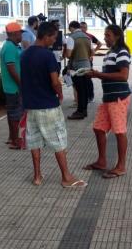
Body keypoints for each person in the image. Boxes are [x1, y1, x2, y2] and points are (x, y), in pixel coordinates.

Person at [20, 21, 87, 188]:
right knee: (59, 140)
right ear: (47, 36)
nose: (55, 41)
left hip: (31, 105)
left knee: (34, 140)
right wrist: (60, 93)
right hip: (48, 105)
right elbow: (54, 81)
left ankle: (37, 176)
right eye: (54, 37)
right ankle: (66, 177)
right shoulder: (47, 55)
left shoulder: (25, 54)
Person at [84, 25, 131, 179]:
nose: (105, 38)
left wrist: (99, 75)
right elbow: (109, 73)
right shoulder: (111, 52)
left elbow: (123, 76)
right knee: (98, 128)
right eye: (105, 35)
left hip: (118, 98)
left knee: (119, 131)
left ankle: (121, 166)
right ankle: (102, 161)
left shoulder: (122, 52)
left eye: (108, 35)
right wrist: (96, 74)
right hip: (108, 98)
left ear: (117, 36)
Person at [0, 22, 24, 149]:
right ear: (14, 34)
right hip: (14, 87)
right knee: (15, 115)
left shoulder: (12, 46)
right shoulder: (9, 47)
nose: (22, 35)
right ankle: (15, 141)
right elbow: (11, 68)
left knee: (12, 114)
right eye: (20, 32)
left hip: (11, 87)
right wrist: (21, 84)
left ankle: (12, 138)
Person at [64, 21, 92, 120]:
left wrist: (65, 48)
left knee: (79, 90)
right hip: (87, 66)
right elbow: (91, 52)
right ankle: (83, 110)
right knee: (84, 89)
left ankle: (80, 111)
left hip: (77, 67)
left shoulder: (72, 38)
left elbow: (68, 55)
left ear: (71, 28)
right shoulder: (88, 37)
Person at [80, 21, 103, 103]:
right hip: (79, 61)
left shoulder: (89, 36)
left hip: (88, 61)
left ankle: (90, 96)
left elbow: (99, 44)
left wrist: (93, 53)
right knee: (80, 78)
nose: (83, 29)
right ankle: (82, 96)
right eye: (81, 27)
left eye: (84, 27)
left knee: (88, 78)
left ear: (86, 28)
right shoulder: (77, 37)